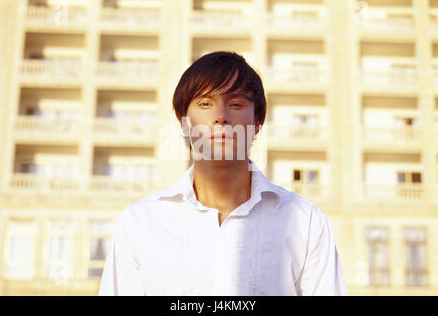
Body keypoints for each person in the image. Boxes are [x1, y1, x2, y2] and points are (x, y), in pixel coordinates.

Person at [98, 51, 348, 296]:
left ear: (257, 121)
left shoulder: (306, 222)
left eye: (236, 104)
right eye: (205, 103)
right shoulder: (140, 223)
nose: (221, 117)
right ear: (184, 122)